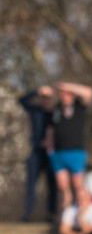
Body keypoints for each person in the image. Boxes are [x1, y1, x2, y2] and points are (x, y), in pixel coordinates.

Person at [49, 82, 92, 211]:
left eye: (67, 94)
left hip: (76, 152)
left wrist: (68, 86)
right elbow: (50, 128)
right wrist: (50, 148)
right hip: (58, 152)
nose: (64, 96)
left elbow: (89, 92)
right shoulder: (56, 109)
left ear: (73, 95)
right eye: (62, 93)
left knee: (78, 185)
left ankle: (82, 212)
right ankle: (64, 214)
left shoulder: (80, 107)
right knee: (62, 187)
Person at [19, 85, 57, 221]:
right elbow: (22, 100)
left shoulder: (56, 113)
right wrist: (37, 91)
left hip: (52, 153)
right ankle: (28, 213)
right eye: (44, 98)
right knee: (31, 184)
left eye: (49, 98)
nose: (46, 100)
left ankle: (51, 214)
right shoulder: (36, 111)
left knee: (52, 185)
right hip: (36, 152)